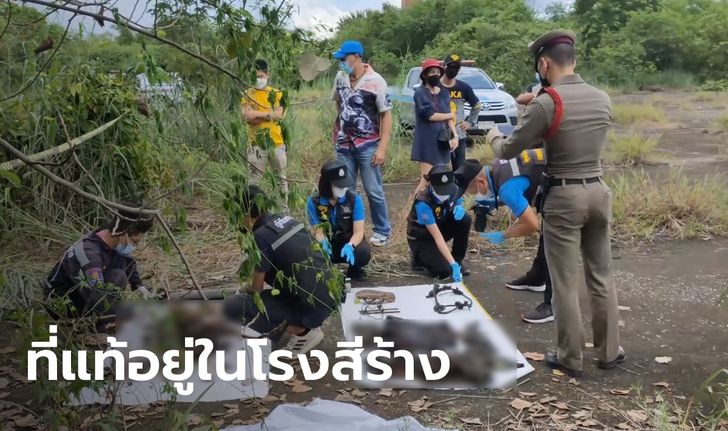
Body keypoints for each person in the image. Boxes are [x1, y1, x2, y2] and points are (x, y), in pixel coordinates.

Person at [486, 29, 623, 377]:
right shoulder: (602, 97)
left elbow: (508, 149)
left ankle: (571, 357)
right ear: (573, 60)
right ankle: (609, 352)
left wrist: (492, 134)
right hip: (598, 190)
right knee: (601, 275)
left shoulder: (547, 102)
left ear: (545, 63)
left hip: (564, 196)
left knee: (564, 280)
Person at [223, 185, 342, 354]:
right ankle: (303, 321)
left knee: (235, 306)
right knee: (268, 286)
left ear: (246, 214)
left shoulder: (260, 237)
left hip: (313, 307)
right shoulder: (286, 219)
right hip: (330, 296)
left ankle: (304, 332)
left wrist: (243, 291)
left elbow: (256, 288)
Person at [455, 155, 553, 324]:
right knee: (548, 232)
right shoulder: (498, 165)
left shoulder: (506, 189)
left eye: (473, 193)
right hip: (553, 175)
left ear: (481, 183)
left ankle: (552, 305)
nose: (475, 197)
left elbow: (532, 225)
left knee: (553, 236)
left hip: (565, 188)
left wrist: (502, 235)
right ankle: (537, 278)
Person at [44, 206, 155, 321]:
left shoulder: (108, 239)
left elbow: (126, 261)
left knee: (119, 275)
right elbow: (98, 295)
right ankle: (102, 324)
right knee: (118, 277)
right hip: (62, 305)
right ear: (123, 233)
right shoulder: (90, 254)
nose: (134, 247)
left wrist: (141, 288)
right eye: (135, 242)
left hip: (85, 293)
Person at [332, 40, 393, 247]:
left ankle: (382, 230)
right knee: (346, 190)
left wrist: (382, 148)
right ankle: (350, 231)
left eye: (344, 58)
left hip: (368, 145)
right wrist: (339, 131)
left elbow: (386, 115)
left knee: (373, 189)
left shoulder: (376, 81)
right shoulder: (340, 78)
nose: (341, 62)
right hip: (344, 145)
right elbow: (339, 104)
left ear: (357, 57)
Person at [307, 159, 371, 281]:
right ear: (326, 184)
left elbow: (359, 231)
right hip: (329, 244)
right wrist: (323, 244)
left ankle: (355, 269)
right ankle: (326, 270)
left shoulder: (354, 199)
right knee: (311, 251)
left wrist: (350, 246)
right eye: (338, 186)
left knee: (363, 252)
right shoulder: (314, 202)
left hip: (348, 243)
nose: (342, 188)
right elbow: (317, 231)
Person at [407, 165, 471, 281]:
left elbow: (457, 200)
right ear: (431, 185)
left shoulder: (452, 189)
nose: (445, 194)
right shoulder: (423, 203)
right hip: (422, 236)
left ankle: (458, 260)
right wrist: (451, 264)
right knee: (444, 271)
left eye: (447, 190)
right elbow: (438, 237)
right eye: (441, 191)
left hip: (440, 225)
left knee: (465, 219)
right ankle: (417, 257)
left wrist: (458, 206)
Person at [241, 59, 288, 206]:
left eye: (261, 76)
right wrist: (269, 115)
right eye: (255, 77)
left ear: (267, 74)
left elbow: (279, 115)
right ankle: (251, 212)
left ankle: (284, 211)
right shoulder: (248, 94)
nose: (258, 80)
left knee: (281, 179)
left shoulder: (277, 94)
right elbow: (247, 117)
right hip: (255, 144)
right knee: (254, 180)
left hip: (277, 142)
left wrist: (257, 113)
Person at [411, 58, 459, 192]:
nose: (436, 74)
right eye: (432, 72)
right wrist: (450, 115)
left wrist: (455, 136)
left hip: (443, 142)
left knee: (442, 181)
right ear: (425, 75)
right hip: (427, 142)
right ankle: (411, 211)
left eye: (438, 72)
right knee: (426, 182)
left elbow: (449, 116)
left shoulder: (443, 92)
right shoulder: (420, 93)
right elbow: (430, 115)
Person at [440, 54, 481, 171]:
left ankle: (459, 189)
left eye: (456, 67)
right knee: (439, 170)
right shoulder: (436, 86)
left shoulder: (464, 87)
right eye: (450, 66)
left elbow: (477, 105)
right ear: (444, 67)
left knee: (459, 169)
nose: (453, 70)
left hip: (459, 134)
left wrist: (470, 122)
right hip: (439, 134)